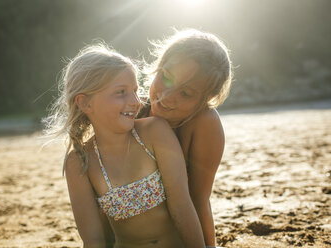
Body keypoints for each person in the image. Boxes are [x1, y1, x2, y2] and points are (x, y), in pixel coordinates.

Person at [43, 44, 205, 248]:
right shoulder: (79, 163)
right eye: (121, 92)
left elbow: (182, 206)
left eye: (135, 91)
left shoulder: (155, 132)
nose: (135, 101)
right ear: (85, 103)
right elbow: (94, 240)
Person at [138, 29, 233, 247]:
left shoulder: (203, 123)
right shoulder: (133, 111)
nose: (167, 96)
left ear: (205, 99)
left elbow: (199, 199)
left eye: (185, 93)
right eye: (166, 77)